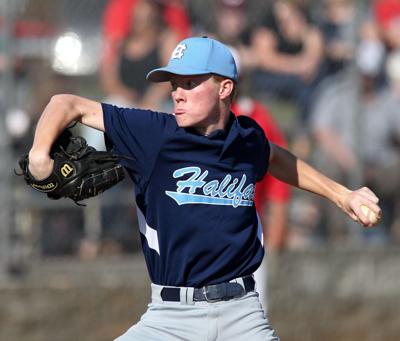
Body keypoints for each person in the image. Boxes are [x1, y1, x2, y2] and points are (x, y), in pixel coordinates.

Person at [27, 36, 381, 341]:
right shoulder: (155, 134)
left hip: (242, 315)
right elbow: (66, 104)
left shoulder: (247, 138)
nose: (178, 94)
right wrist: (39, 157)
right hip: (169, 319)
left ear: (224, 87)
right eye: (174, 85)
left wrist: (342, 194)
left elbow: (275, 157)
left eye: (190, 83)